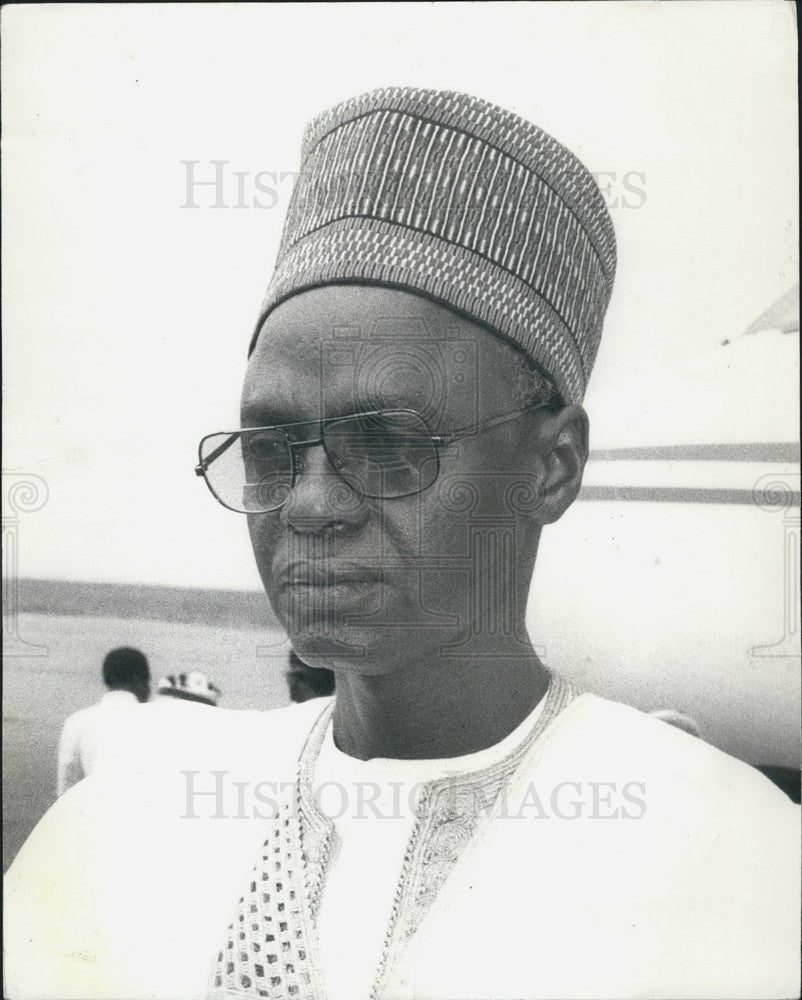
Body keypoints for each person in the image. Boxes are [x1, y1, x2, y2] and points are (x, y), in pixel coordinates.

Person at [6, 87, 799, 999]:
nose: (308, 506)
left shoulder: (739, 866)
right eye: (269, 451)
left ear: (552, 465)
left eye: (385, 447)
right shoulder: (121, 829)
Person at [55, 646, 150, 796]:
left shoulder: (76, 721)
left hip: (92, 814)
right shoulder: (155, 721)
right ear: (139, 680)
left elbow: (66, 788)